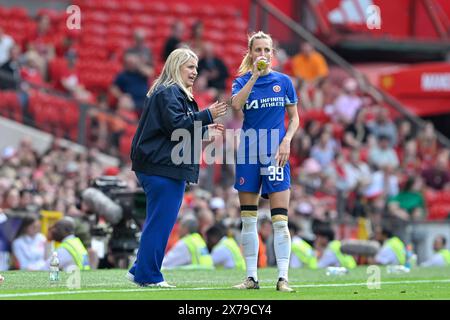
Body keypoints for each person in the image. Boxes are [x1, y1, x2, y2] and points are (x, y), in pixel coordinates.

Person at [127, 48, 227, 287]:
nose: (195, 71)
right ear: (176, 66)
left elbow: (175, 129)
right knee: (160, 223)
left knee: (157, 220)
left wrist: (205, 129)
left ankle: (139, 268)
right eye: (190, 67)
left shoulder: (170, 92)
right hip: (162, 167)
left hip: (162, 165)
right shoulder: (170, 92)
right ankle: (149, 276)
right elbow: (176, 127)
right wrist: (207, 115)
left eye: (196, 67)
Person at [230, 31, 300, 292]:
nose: (262, 54)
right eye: (257, 50)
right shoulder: (241, 82)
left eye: (266, 50)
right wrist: (255, 76)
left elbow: (294, 118)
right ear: (250, 54)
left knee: (280, 220)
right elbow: (236, 105)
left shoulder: (284, 82)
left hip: (275, 154)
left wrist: (287, 140)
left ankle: (283, 278)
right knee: (248, 219)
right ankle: (251, 278)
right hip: (248, 153)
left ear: (273, 53)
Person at [291, 42, 329, 110]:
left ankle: (316, 111)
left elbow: (322, 74)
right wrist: (306, 83)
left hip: (316, 82)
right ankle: (309, 110)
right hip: (303, 82)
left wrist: (313, 83)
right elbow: (297, 74)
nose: (307, 52)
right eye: (305, 50)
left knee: (318, 91)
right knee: (302, 90)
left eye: (308, 50)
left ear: (312, 49)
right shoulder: (297, 58)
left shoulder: (318, 57)